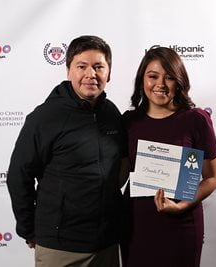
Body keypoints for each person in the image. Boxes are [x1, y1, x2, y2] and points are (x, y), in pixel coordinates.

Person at [7, 35, 127, 267]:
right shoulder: (44, 118)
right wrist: (28, 228)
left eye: (98, 67)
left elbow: (121, 166)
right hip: (60, 246)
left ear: (109, 73)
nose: (90, 74)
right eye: (81, 66)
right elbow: (18, 175)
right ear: (68, 70)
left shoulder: (112, 113)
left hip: (106, 243)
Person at [120, 47, 216, 267]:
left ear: (180, 81)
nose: (161, 84)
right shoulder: (128, 121)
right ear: (142, 80)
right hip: (137, 222)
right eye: (153, 76)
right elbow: (119, 173)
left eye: (170, 77)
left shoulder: (196, 120)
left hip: (181, 223)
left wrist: (182, 205)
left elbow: (212, 178)